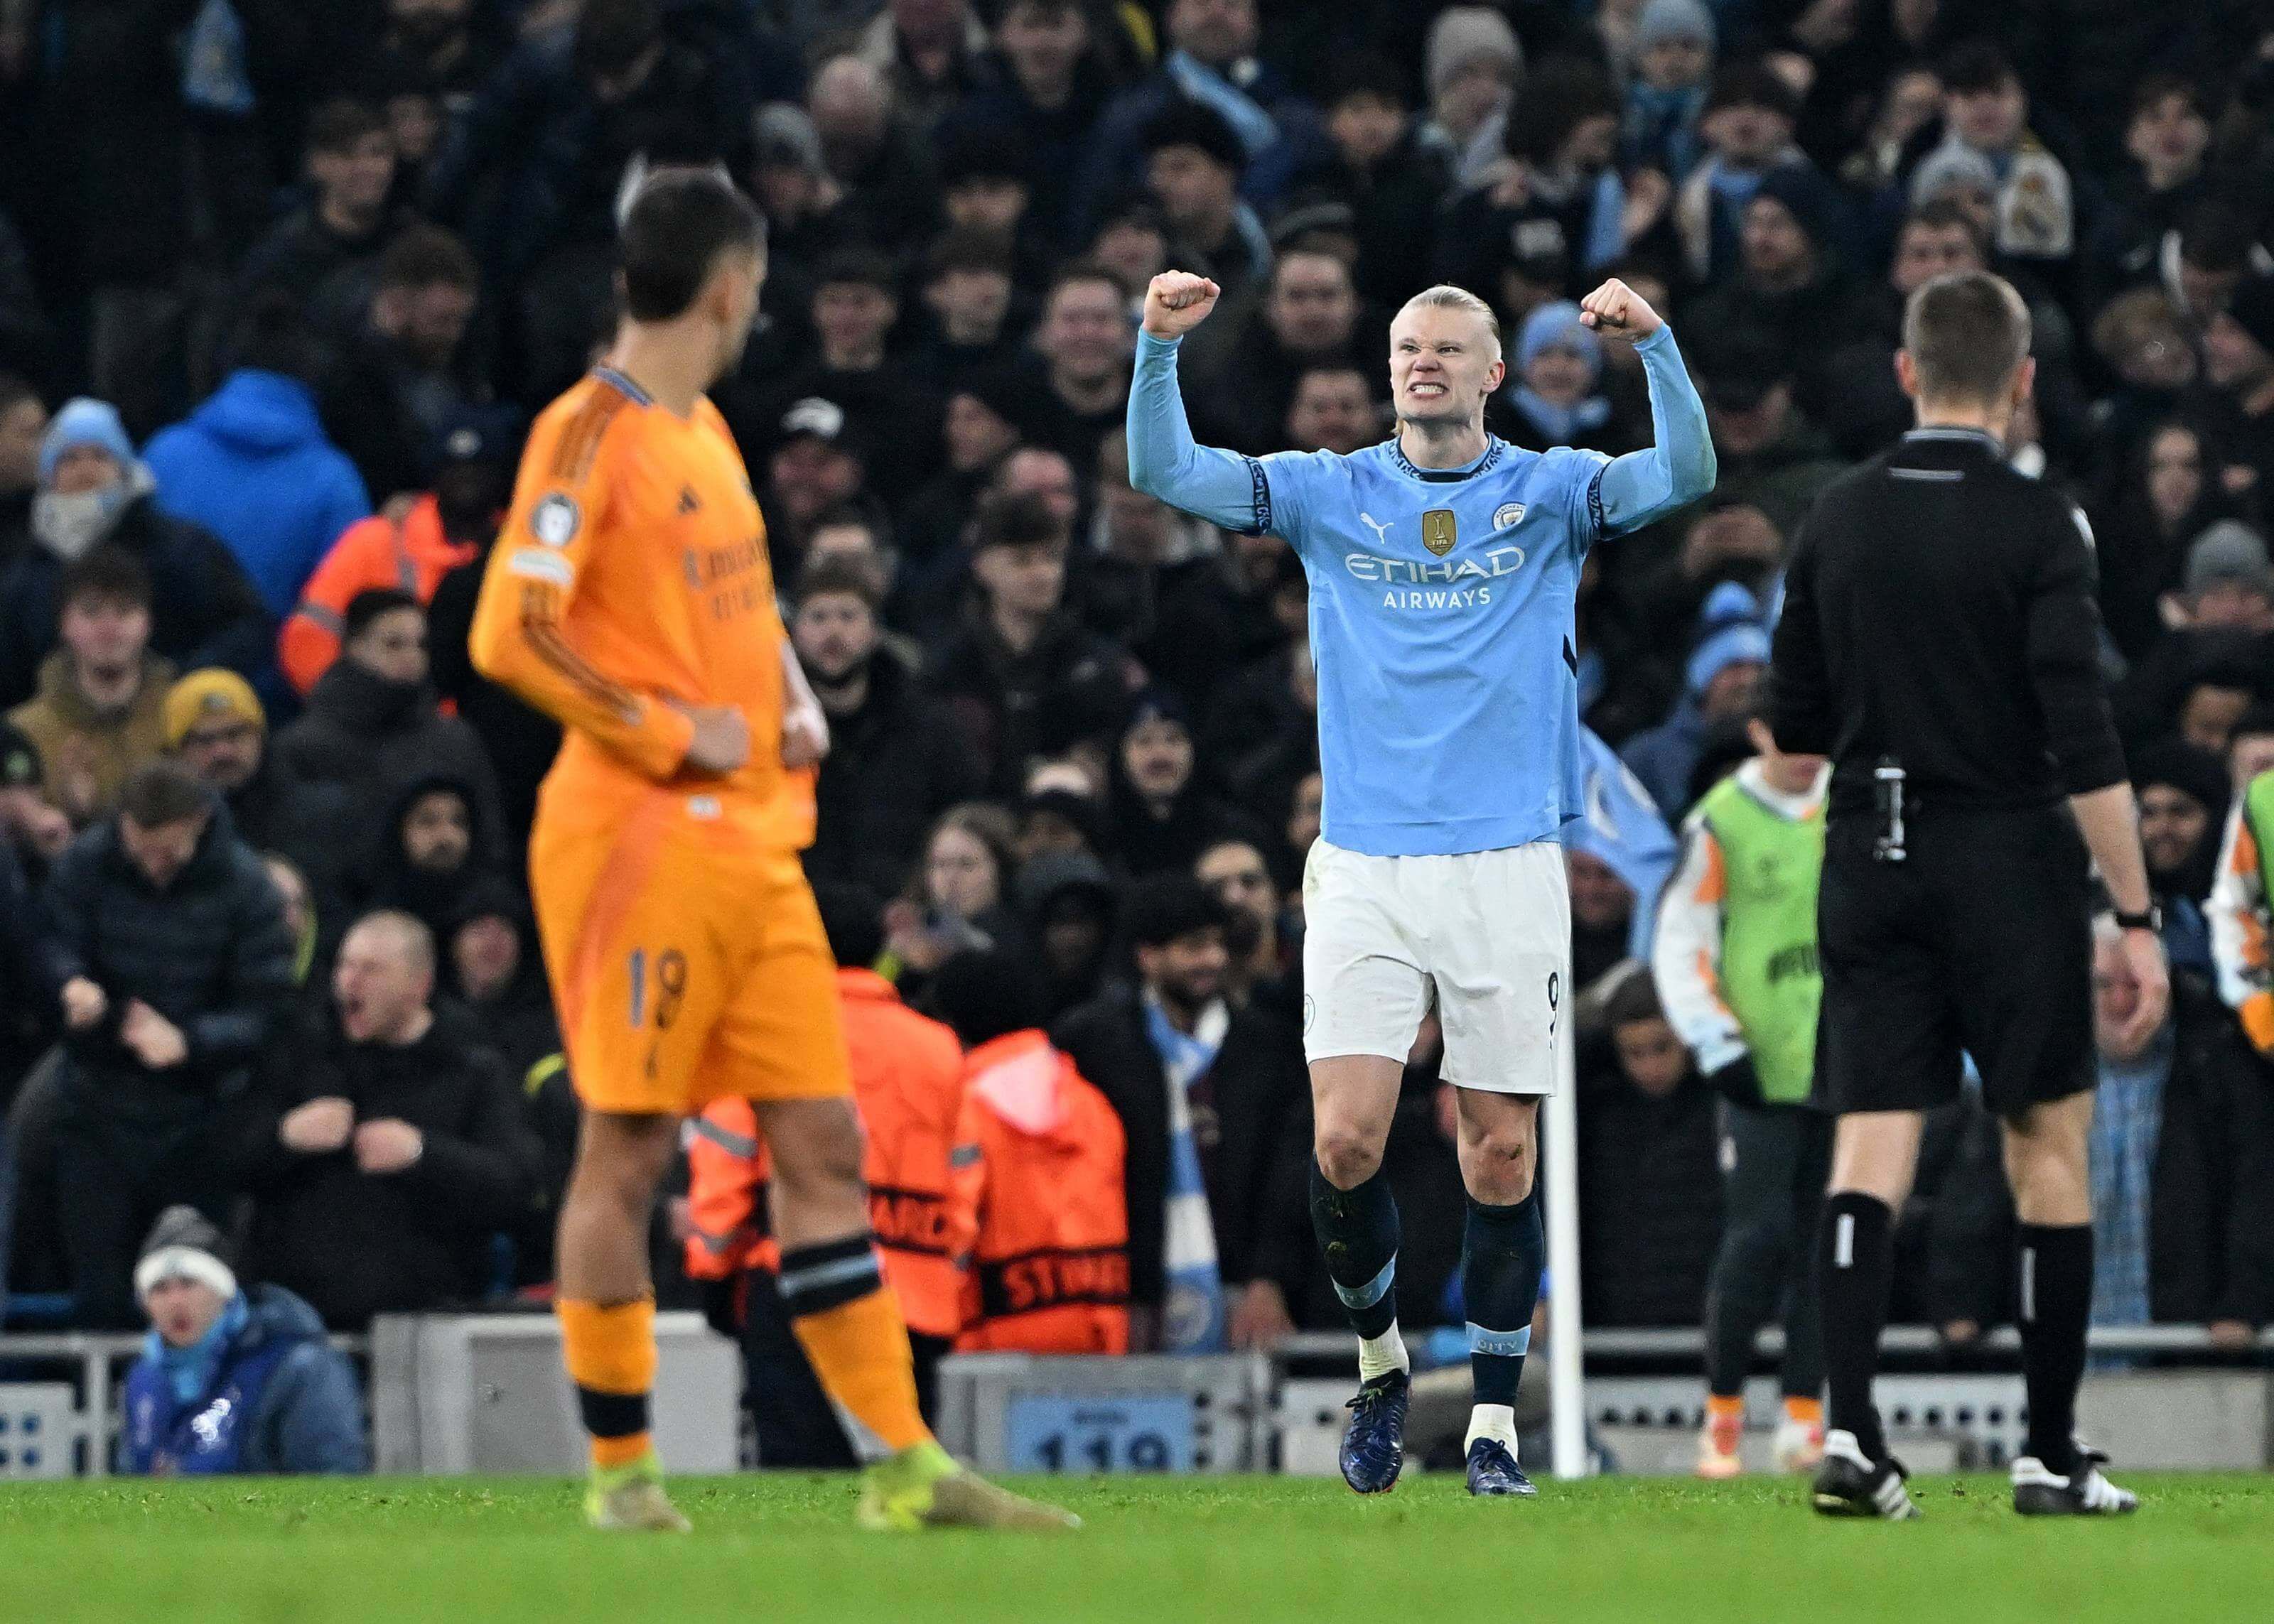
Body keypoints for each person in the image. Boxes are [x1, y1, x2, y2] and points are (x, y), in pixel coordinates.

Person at [466, 170, 1067, 1533]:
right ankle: (621, 1477)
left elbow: (734, 605)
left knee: (826, 1139)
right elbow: (510, 633)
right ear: (730, 284)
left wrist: (788, 685)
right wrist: (667, 727)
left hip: (755, 849)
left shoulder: (706, 432)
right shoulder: (587, 434)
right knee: (626, 1145)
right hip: (637, 842)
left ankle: (904, 1472)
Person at [1129, 264, 1713, 1497]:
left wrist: (1654, 345)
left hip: (1507, 863)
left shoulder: (1552, 493)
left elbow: (1687, 477)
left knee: (1499, 1158)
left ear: (1495, 374)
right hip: (1366, 861)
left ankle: (1494, 1424)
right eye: (1405, 346)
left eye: (1448, 347)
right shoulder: (1329, 492)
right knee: (1347, 1138)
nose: (1422, 361)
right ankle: (1383, 1363)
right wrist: (1156, 350)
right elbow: (1166, 474)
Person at [1769, 269, 2159, 1519]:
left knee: (1870, 1137)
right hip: (2006, 857)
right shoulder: (2043, 524)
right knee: (2047, 1140)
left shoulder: (1833, 515)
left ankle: (1853, 1435)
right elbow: (2083, 735)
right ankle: (2047, 1452)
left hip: (1866, 857)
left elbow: (1793, 720)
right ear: (2025, 381)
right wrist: (2139, 916)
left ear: (1905, 373)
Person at [682, 882, 969, 1463]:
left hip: (793, 1284)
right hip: (914, 1292)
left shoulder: (769, 1038)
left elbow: (727, 1163)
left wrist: (714, 1271)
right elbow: (964, 1181)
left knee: (800, 1480)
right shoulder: (938, 1046)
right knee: (904, 1477)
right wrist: (947, 1275)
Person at [41, 760, 297, 1328]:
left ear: (199, 824)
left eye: (167, 850)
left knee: (198, 1281)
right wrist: (70, 982)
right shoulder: (87, 864)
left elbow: (269, 1009)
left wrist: (192, 1041)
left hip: (201, 1115)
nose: (152, 864)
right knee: (99, 1290)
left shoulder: (247, 887)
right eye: (140, 849)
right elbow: (53, 938)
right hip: (97, 1103)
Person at [1653, 711, 1831, 1479]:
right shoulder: (1719, 823)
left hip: (1842, 1059)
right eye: (1792, 733)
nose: (1806, 752)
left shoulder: (1852, 803)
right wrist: (1714, 1040)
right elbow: (1679, 935)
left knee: (1830, 1242)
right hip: (1757, 1066)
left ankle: (1804, 1415)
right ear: (1762, 731)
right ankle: (1721, 1415)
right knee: (1755, 1239)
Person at [243, 911, 536, 1329]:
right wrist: (285, 1136)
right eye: (345, 965)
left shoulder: (473, 1069)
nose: (349, 982)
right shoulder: (301, 1051)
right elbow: (222, 1155)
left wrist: (423, 1154)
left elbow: (516, 1185)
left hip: (426, 1319)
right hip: (296, 1318)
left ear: (419, 986)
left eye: (371, 970)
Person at [1053, 875, 1309, 1355]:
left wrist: (1270, 1278)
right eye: (1193, 947)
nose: (1213, 960)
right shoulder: (1093, 1044)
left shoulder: (1269, 1047)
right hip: (1126, 1293)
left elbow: (1290, 1176)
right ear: (1148, 957)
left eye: (1218, 945)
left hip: (1242, 1293)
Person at [0, 396, 269, 709]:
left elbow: (248, 627)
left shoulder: (180, 548)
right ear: (50, 476)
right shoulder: (29, 569)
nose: (85, 470)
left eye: (100, 456)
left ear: (123, 466)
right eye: (69, 460)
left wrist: (181, 682)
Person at [934, 948, 1131, 1355]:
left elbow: (955, 1229)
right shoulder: (1091, 1103)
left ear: (953, 1024)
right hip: (1099, 1330)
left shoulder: (965, 1110)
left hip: (995, 1343)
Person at [143, 295, 372, 621]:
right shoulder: (335, 481)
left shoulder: (163, 453)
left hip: (163, 667)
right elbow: (347, 609)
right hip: (277, 669)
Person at [278, 407, 512, 695]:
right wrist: (357, 711)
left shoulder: (525, 549)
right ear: (434, 474)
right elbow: (308, 634)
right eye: (453, 468)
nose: (466, 480)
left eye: (480, 467)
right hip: (386, 727)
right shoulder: (375, 541)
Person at [119, 1206, 367, 1476]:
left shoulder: (296, 1366)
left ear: (223, 1291)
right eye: (160, 1289)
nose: (175, 1301)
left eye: (189, 1283)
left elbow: (332, 1481)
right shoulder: (144, 1377)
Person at [791, 556, 982, 899]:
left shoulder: (929, 727)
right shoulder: (774, 729)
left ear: (874, 632)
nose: (834, 631)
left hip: (901, 919)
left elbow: (962, 815)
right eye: (818, 617)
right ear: (795, 632)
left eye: (848, 616)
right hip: (796, 916)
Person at [272, 588, 504, 860]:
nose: (412, 656)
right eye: (394, 644)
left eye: (421, 644)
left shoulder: (455, 740)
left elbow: (491, 843)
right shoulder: (303, 747)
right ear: (354, 647)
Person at [6, 547, 175, 828]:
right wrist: (71, 815)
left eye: (124, 611)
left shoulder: (181, 714)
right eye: (91, 612)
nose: (108, 629)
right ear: (63, 624)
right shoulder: (23, 734)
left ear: (147, 623)